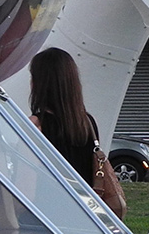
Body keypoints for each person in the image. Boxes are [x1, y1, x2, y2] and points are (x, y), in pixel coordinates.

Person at [29, 47, 98, 185]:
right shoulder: (87, 122)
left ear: (40, 84)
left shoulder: (35, 125)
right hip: (83, 204)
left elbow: (27, 182)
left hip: (46, 203)